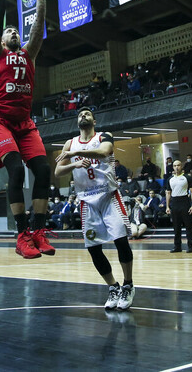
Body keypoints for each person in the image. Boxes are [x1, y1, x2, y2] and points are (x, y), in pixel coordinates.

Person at [0, 0, 54, 259]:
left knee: (42, 171)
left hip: (24, 125)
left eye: (16, 30)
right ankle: (22, 234)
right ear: (2, 41)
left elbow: (38, 24)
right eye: (8, 32)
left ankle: (39, 232)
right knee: (15, 171)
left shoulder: (30, 54)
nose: (13, 33)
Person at [55, 107, 135, 310]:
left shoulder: (103, 136)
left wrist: (77, 153)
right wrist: (74, 164)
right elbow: (58, 171)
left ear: (94, 120)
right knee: (93, 249)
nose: (83, 115)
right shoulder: (70, 143)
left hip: (109, 197)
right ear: (77, 122)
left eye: (87, 113)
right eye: (80, 114)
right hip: (87, 201)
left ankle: (128, 285)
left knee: (120, 241)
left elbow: (105, 152)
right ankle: (113, 287)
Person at [165, 160, 192, 253]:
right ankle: (177, 246)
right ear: (173, 167)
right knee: (176, 227)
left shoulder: (187, 177)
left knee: (188, 226)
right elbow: (168, 193)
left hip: (184, 202)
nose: (176, 167)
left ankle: (190, 246)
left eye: (178, 165)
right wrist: (167, 206)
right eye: (174, 166)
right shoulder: (170, 179)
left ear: (181, 166)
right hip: (174, 203)